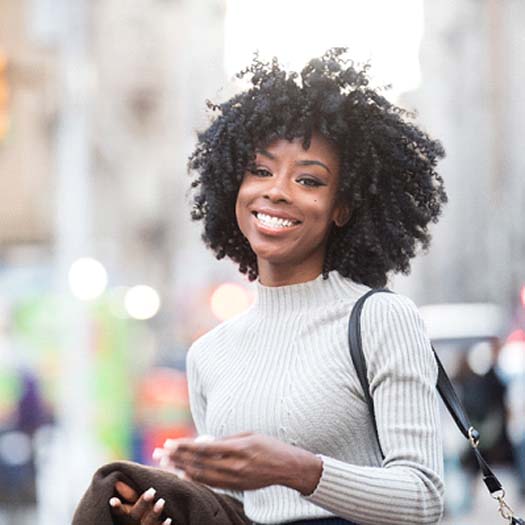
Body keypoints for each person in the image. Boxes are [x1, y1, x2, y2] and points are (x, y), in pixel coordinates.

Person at [107, 48, 448, 525]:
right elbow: (233, 514)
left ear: (341, 208)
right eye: (261, 171)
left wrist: (297, 470)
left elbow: (424, 499)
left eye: (308, 179)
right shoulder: (208, 354)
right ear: (232, 186)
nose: (277, 190)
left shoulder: (379, 319)